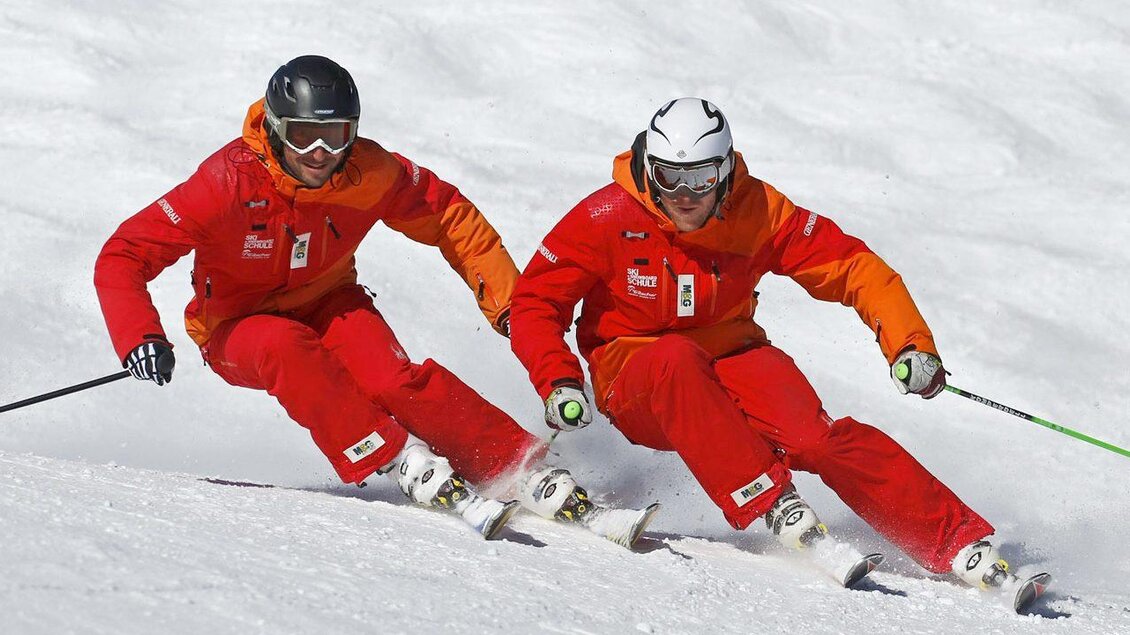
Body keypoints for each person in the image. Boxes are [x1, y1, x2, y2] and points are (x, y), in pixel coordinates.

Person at [94, 55, 651, 544]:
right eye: (302, 135)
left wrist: (509, 304)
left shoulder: (368, 172)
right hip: (237, 328)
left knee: (393, 379)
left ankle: (519, 465)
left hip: (329, 300)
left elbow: (451, 220)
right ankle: (395, 457)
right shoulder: (225, 185)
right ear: (273, 128)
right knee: (283, 344)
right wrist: (140, 337)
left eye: (335, 135)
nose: (319, 153)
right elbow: (122, 256)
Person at [510, 97, 1029, 590]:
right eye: (669, 177)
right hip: (637, 375)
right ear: (649, 167)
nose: (684, 195)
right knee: (673, 356)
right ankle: (771, 499)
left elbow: (850, 266)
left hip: (731, 354)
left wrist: (909, 345)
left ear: (726, 172)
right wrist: (557, 379)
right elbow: (535, 302)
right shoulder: (606, 217)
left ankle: (957, 541)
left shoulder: (756, 210)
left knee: (815, 438)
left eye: (701, 178)